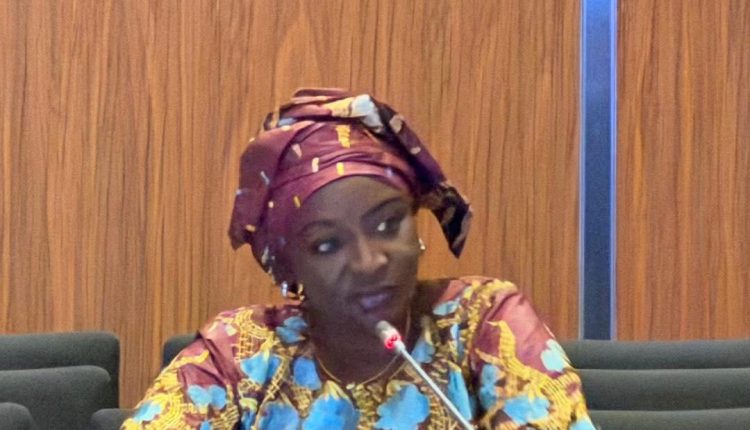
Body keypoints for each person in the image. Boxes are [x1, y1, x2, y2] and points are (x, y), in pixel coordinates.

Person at [121, 88, 594, 429]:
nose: (369, 261)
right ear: (290, 265)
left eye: (388, 224)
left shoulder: (481, 324)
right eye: (328, 245)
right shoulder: (239, 353)